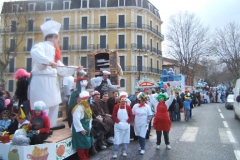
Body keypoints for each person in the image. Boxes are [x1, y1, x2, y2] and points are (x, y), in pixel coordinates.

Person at [29, 20, 82, 128]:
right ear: (53, 36)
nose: (58, 40)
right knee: (44, 104)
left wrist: (75, 68)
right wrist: (48, 62)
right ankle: (41, 126)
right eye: (58, 38)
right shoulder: (40, 46)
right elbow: (35, 54)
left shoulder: (54, 52)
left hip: (52, 81)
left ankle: (51, 125)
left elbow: (62, 69)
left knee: (54, 103)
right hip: (41, 80)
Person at [71, 91, 92, 160]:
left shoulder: (88, 108)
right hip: (79, 129)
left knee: (87, 144)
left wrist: (90, 127)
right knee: (81, 145)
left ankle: (86, 158)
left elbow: (90, 118)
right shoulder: (78, 108)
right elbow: (76, 120)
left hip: (87, 128)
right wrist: (81, 129)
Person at [112, 94, 133, 159]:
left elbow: (131, 115)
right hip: (118, 125)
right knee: (117, 139)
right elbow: (114, 115)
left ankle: (124, 151)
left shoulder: (128, 107)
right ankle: (115, 152)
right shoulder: (116, 106)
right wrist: (118, 122)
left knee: (125, 138)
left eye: (125, 100)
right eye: (122, 100)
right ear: (120, 100)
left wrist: (128, 122)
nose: (123, 101)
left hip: (126, 124)